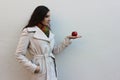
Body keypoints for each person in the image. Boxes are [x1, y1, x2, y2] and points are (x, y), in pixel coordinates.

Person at [15, 5, 81, 80]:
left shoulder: (48, 31)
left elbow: (53, 51)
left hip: (51, 69)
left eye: (49, 16)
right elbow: (19, 54)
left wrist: (67, 40)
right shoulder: (28, 31)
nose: (50, 19)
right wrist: (34, 68)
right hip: (39, 71)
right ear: (39, 17)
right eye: (47, 16)